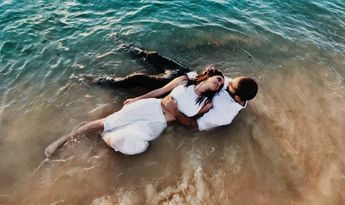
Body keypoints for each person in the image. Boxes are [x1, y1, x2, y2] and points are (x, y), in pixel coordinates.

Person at [45, 69, 225, 158]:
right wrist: (137, 99)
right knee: (105, 123)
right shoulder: (184, 81)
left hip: (158, 123)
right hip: (150, 106)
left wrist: (177, 112)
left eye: (222, 84)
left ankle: (104, 134)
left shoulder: (206, 103)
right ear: (210, 75)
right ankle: (65, 139)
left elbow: (189, 123)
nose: (219, 83)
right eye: (218, 79)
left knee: (134, 145)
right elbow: (159, 91)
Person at [82, 46, 259, 131]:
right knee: (152, 56)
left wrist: (175, 111)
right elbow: (217, 77)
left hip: (178, 91)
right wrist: (209, 73)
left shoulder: (224, 114)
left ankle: (98, 81)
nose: (226, 82)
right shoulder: (234, 86)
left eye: (229, 85)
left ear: (236, 98)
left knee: (136, 79)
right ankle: (119, 44)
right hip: (187, 77)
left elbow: (194, 125)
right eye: (229, 80)